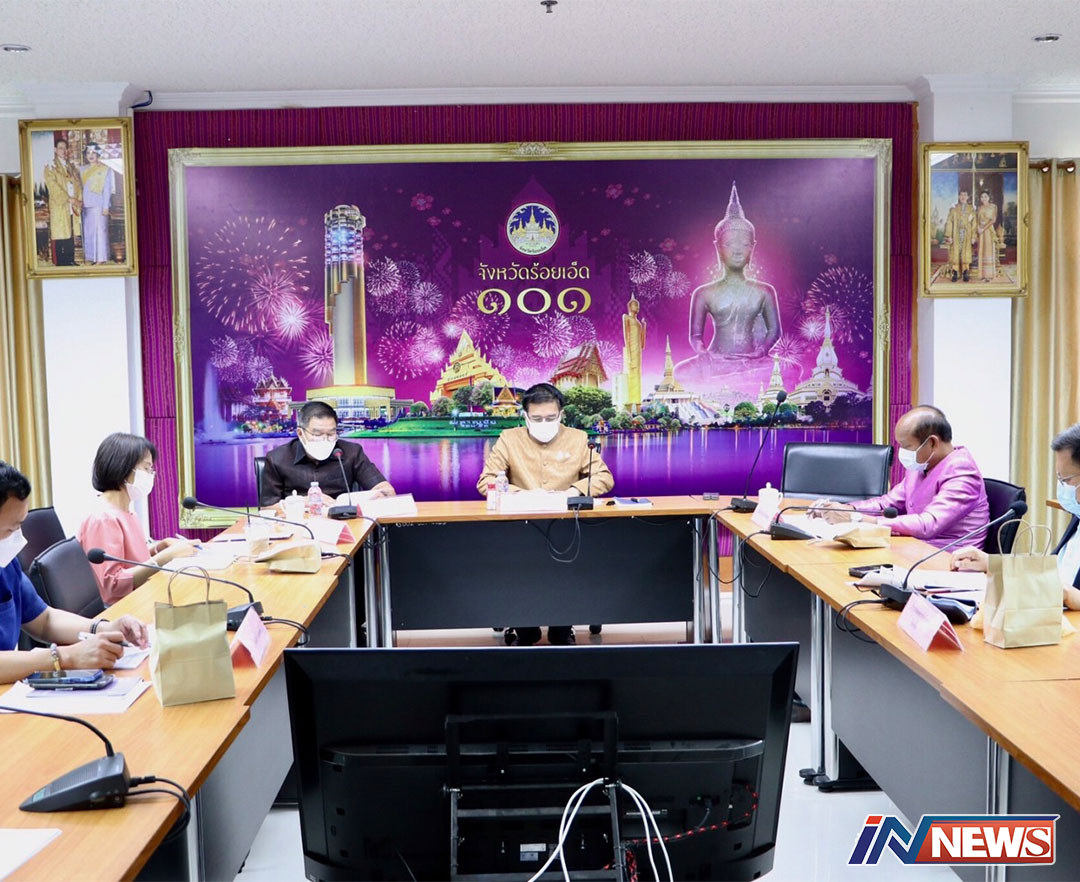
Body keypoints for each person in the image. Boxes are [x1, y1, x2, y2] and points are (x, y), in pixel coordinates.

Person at [477, 383, 614, 646]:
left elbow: (604, 478)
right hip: (521, 527)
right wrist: (522, 495)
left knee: (568, 570)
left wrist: (572, 492)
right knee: (520, 569)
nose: (544, 423)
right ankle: (524, 625)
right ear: (525, 416)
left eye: (550, 418)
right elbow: (486, 481)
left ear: (561, 414)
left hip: (567, 527)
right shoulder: (509, 439)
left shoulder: (577, 439)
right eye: (537, 419)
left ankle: (562, 624)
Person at [0, 461, 148, 684]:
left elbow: (44, 620)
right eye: (10, 529)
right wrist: (64, 657)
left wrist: (104, 628)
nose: (18, 538)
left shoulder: (6, 564)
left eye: (20, 526)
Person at [809, 405, 990, 549]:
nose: (902, 453)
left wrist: (858, 519)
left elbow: (927, 525)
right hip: (913, 549)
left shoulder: (962, 472)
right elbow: (887, 504)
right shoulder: (922, 465)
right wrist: (846, 509)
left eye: (907, 446)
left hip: (946, 559)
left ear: (932, 443)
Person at [952, 423, 1080, 611]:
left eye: (1065, 480)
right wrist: (994, 564)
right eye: (1059, 479)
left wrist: (1068, 595)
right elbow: (1054, 575)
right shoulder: (1077, 514)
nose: (1061, 487)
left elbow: (1064, 588)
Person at [674, 182, 781, 383]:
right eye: (730, 244)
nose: (738, 250)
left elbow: (774, 331)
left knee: (788, 369)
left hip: (752, 361)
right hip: (717, 359)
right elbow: (695, 336)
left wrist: (762, 350)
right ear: (718, 248)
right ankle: (731, 377)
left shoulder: (765, 291)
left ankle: (737, 377)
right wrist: (703, 353)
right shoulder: (703, 293)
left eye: (744, 244)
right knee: (680, 372)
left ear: (752, 247)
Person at [77, 433, 197, 605]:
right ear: (123, 468)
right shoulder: (102, 518)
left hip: (141, 597)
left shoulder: (125, 512)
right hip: (124, 608)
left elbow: (128, 560)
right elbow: (113, 585)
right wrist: (166, 556)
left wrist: (159, 547)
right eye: (146, 468)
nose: (151, 475)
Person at [261, 400, 395, 507]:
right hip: (298, 526)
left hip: (345, 524)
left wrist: (381, 495)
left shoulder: (352, 452)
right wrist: (302, 502)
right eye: (317, 434)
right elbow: (267, 508)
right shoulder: (277, 459)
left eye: (331, 434)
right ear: (300, 433)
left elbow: (386, 489)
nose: (325, 440)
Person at [42, 137, 80, 266]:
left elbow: (77, 183)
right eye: (60, 148)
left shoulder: (70, 166)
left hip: (72, 205)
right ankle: (61, 262)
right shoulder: (51, 166)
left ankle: (70, 260)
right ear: (55, 149)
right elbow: (52, 185)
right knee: (60, 233)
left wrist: (77, 199)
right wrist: (67, 198)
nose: (63, 151)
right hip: (60, 204)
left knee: (70, 232)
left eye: (65, 148)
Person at [80, 142, 116, 265]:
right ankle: (92, 257)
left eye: (93, 153)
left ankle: (101, 258)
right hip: (86, 205)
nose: (90, 155)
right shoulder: (82, 169)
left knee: (100, 232)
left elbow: (107, 189)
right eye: (88, 153)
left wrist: (105, 206)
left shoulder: (105, 170)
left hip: (99, 205)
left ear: (98, 154)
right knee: (89, 232)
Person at [943, 188, 976, 283]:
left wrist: (973, 236)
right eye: (961, 195)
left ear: (968, 197)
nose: (963, 197)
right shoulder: (954, 209)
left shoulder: (971, 209)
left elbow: (974, 224)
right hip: (956, 234)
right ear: (958, 196)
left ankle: (965, 272)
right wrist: (949, 236)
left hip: (967, 234)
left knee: (965, 253)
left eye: (965, 195)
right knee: (955, 253)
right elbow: (949, 222)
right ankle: (955, 273)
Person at [975, 190, 999, 283]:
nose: (983, 198)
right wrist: (978, 227)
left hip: (988, 230)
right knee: (982, 251)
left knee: (988, 251)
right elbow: (977, 219)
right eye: (982, 197)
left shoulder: (993, 207)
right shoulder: (979, 208)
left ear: (989, 197)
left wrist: (983, 229)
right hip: (981, 231)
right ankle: (982, 274)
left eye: (985, 197)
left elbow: (993, 220)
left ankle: (989, 275)